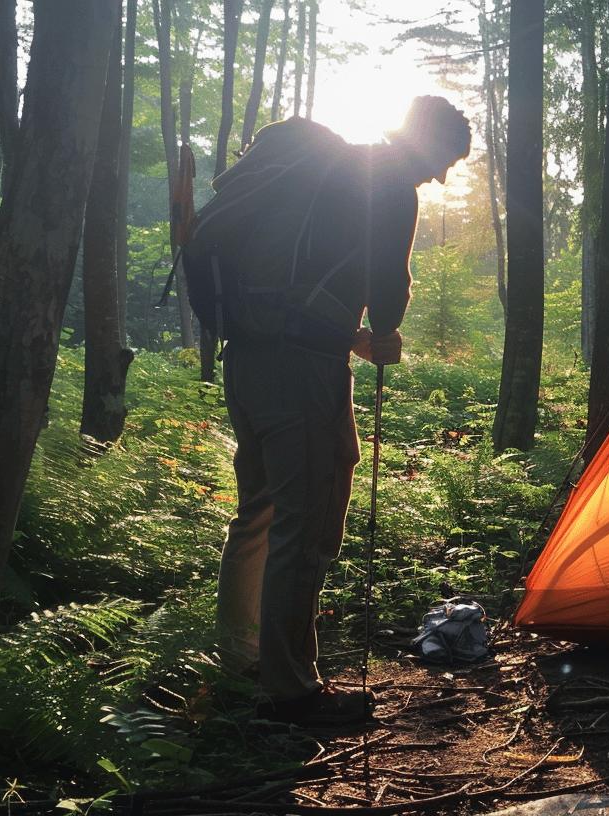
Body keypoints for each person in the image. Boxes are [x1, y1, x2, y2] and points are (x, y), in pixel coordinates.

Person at [206, 96, 470, 726]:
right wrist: (384, 335)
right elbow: (388, 289)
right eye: (443, 161)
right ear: (426, 143)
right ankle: (290, 691)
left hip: (247, 358)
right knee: (308, 526)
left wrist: (347, 335)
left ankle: (240, 661)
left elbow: (312, 282)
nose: (440, 177)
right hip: (301, 376)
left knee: (260, 515)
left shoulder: (325, 173)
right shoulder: (389, 186)